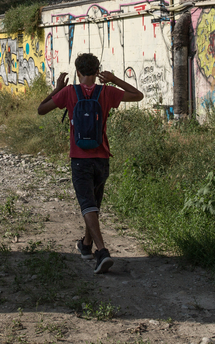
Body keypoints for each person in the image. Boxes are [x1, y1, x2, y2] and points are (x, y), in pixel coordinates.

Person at [37, 53, 144, 274]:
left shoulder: (69, 92)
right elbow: (138, 95)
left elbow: (41, 109)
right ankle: (86, 246)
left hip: (80, 159)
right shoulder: (106, 92)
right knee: (93, 204)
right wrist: (114, 79)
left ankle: (102, 251)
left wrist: (57, 88)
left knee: (88, 205)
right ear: (97, 72)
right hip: (102, 158)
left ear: (77, 72)